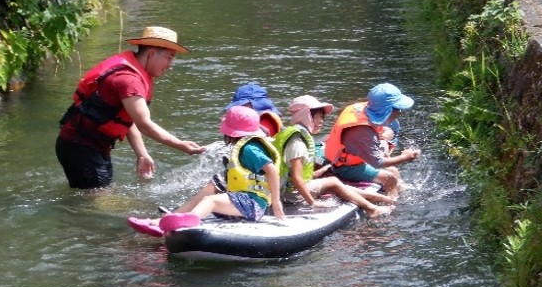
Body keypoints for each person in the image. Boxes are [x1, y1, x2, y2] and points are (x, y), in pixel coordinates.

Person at [55, 26, 205, 189]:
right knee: (98, 203)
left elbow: (127, 118)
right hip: (81, 146)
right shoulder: (128, 80)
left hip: (87, 146)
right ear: (152, 53)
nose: (170, 65)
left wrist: (141, 154)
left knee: (95, 197)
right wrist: (181, 145)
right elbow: (144, 124)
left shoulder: (134, 76)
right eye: (169, 57)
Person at [128, 105, 285, 236]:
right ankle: (165, 220)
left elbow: (271, 170)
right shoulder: (244, 145)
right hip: (243, 201)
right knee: (211, 187)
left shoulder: (250, 149)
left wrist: (276, 204)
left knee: (210, 201)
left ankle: (185, 223)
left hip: (253, 205)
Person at [274, 95, 395, 218]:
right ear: (306, 116)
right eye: (318, 117)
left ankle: (380, 198)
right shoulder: (298, 142)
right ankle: (372, 209)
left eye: (323, 117)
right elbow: (296, 177)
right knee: (333, 182)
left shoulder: (296, 134)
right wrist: (313, 202)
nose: (322, 121)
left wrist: (324, 170)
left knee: (336, 184)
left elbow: (299, 174)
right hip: (291, 195)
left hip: (290, 190)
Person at [324, 83, 421, 196]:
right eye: (397, 108)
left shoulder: (367, 108)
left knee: (394, 170)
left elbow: (377, 130)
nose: (399, 112)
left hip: (354, 158)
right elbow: (377, 163)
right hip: (344, 167)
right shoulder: (361, 130)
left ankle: (399, 192)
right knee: (390, 178)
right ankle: (391, 208)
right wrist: (405, 157)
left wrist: (385, 136)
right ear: (386, 110)